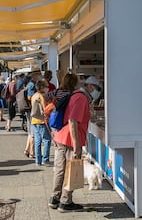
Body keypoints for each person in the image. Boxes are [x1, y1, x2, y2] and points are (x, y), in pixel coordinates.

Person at [48, 74, 102, 213]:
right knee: (71, 170)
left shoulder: (76, 95)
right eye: (97, 88)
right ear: (89, 86)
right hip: (69, 139)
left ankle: (55, 198)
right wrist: (77, 146)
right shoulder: (81, 98)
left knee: (60, 169)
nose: (98, 92)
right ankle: (66, 202)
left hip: (61, 136)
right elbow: (73, 121)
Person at [30, 79, 51, 166]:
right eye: (46, 86)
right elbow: (45, 109)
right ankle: (45, 159)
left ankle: (38, 160)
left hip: (34, 120)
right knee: (47, 140)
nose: (47, 88)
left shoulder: (34, 96)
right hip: (42, 120)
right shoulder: (41, 96)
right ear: (42, 87)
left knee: (37, 141)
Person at [23, 69, 41, 158]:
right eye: (38, 75)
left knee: (31, 132)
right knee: (33, 132)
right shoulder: (32, 85)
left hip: (29, 110)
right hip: (31, 110)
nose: (39, 77)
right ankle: (32, 152)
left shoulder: (30, 84)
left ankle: (27, 149)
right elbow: (29, 97)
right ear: (34, 76)